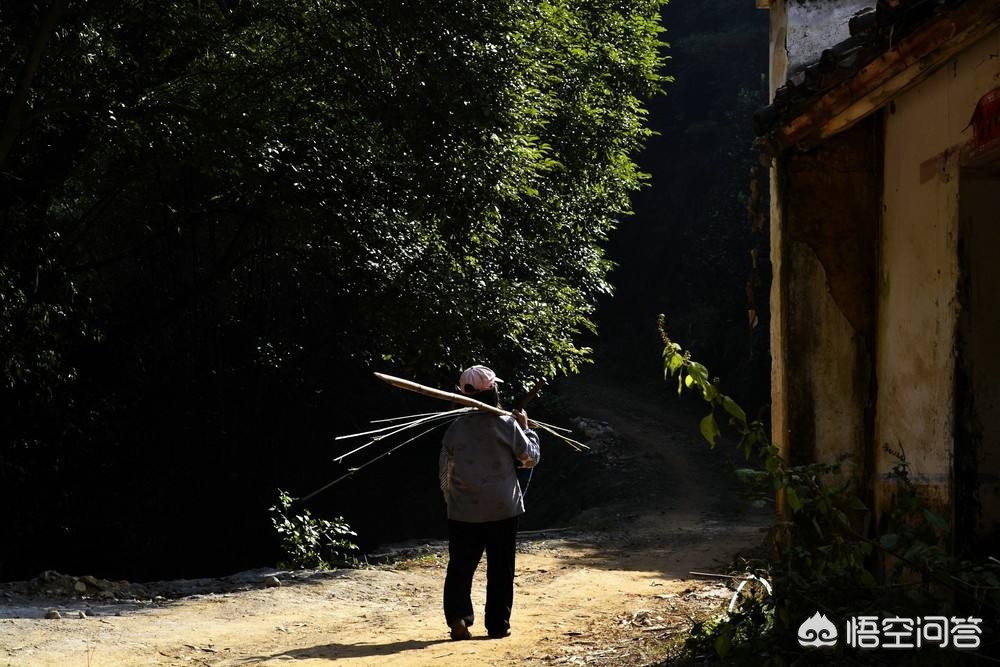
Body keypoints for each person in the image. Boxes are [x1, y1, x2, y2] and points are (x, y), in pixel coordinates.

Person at [438, 364, 541, 640]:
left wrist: (451, 501)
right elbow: (529, 458)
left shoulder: (455, 429)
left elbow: (445, 472)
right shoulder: (508, 424)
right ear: (493, 390)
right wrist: (527, 429)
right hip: (502, 509)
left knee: (460, 565)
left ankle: (458, 617)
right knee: (501, 567)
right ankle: (497, 625)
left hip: (463, 512)